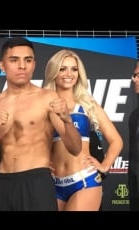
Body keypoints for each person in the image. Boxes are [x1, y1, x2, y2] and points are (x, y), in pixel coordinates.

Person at [0, 37, 82, 211]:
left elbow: (75, 148)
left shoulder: (47, 98)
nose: (22, 66)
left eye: (28, 60)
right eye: (14, 60)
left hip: (37, 181)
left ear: (34, 64)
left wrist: (68, 121)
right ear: (2, 65)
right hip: (3, 183)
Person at [43, 49, 123, 211]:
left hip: (84, 181)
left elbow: (116, 141)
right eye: (62, 68)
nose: (69, 74)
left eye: (74, 69)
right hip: (53, 183)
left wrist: (105, 165)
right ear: (53, 71)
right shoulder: (43, 103)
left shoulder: (86, 103)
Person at [128, 60, 139, 211]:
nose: (134, 79)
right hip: (135, 185)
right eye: (134, 75)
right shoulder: (134, 116)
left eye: (138, 75)